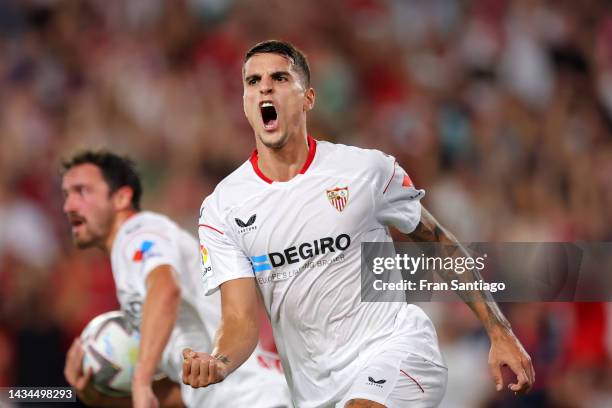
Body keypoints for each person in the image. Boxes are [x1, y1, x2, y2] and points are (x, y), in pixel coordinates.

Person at [182, 40, 535, 407]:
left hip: (396, 348)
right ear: (245, 102)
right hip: (315, 391)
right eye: (253, 82)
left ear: (308, 99)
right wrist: (218, 362)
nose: (265, 88)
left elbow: (438, 241)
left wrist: (499, 329)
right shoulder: (223, 207)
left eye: (280, 78)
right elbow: (239, 321)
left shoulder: (365, 170)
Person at [61, 151, 291, 408]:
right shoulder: (132, 271)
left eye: (82, 191)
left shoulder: (138, 233)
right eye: (66, 194)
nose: (69, 206)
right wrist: (98, 397)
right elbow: (184, 394)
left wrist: (141, 379)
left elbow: (166, 288)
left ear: (121, 198)